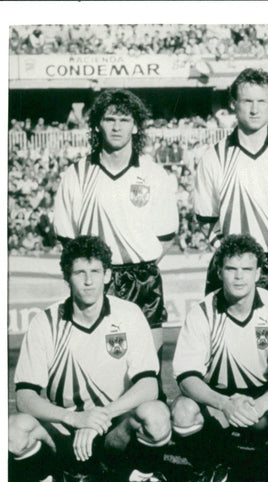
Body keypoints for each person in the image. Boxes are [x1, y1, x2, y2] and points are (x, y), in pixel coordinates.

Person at [9, 236, 171, 482]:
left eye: (95, 272)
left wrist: (100, 416)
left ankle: (131, 479)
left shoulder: (129, 315)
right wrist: (74, 417)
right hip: (65, 431)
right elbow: (24, 396)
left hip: (114, 431)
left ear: (107, 275)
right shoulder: (46, 322)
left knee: (156, 415)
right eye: (79, 273)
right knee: (12, 430)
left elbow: (148, 386)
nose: (88, 281)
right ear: (67, 277)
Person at [170, 235, 268, 482]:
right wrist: (224, 404)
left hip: (260, 403)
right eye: (232, 269)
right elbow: (187, 378)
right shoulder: (201, 312)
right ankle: (206, 467)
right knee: (182, 411)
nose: (239, 277)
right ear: (219, 271)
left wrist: (258, 406)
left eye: (247, 269)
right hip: (216, 401)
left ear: (258, 273)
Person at [192, 68, 268, 355]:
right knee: (233, 350)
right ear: (234, 103)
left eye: (261, 101)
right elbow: (207, 219)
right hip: (237, 266)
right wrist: (236, 255)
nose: (255, 108)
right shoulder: (214, 156)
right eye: (247, 101)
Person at [53, 89, 178, 355]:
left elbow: (166, 237)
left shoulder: (154, 174)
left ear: (135, 126)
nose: (117, 126)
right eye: (110, 119)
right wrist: (99, 273)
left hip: (142, 278)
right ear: (98, 124)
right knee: (99, 362)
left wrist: (139, 265)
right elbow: (67, 240)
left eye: (124, 120)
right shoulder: (76, 175)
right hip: (97, 279)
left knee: (149, 365)